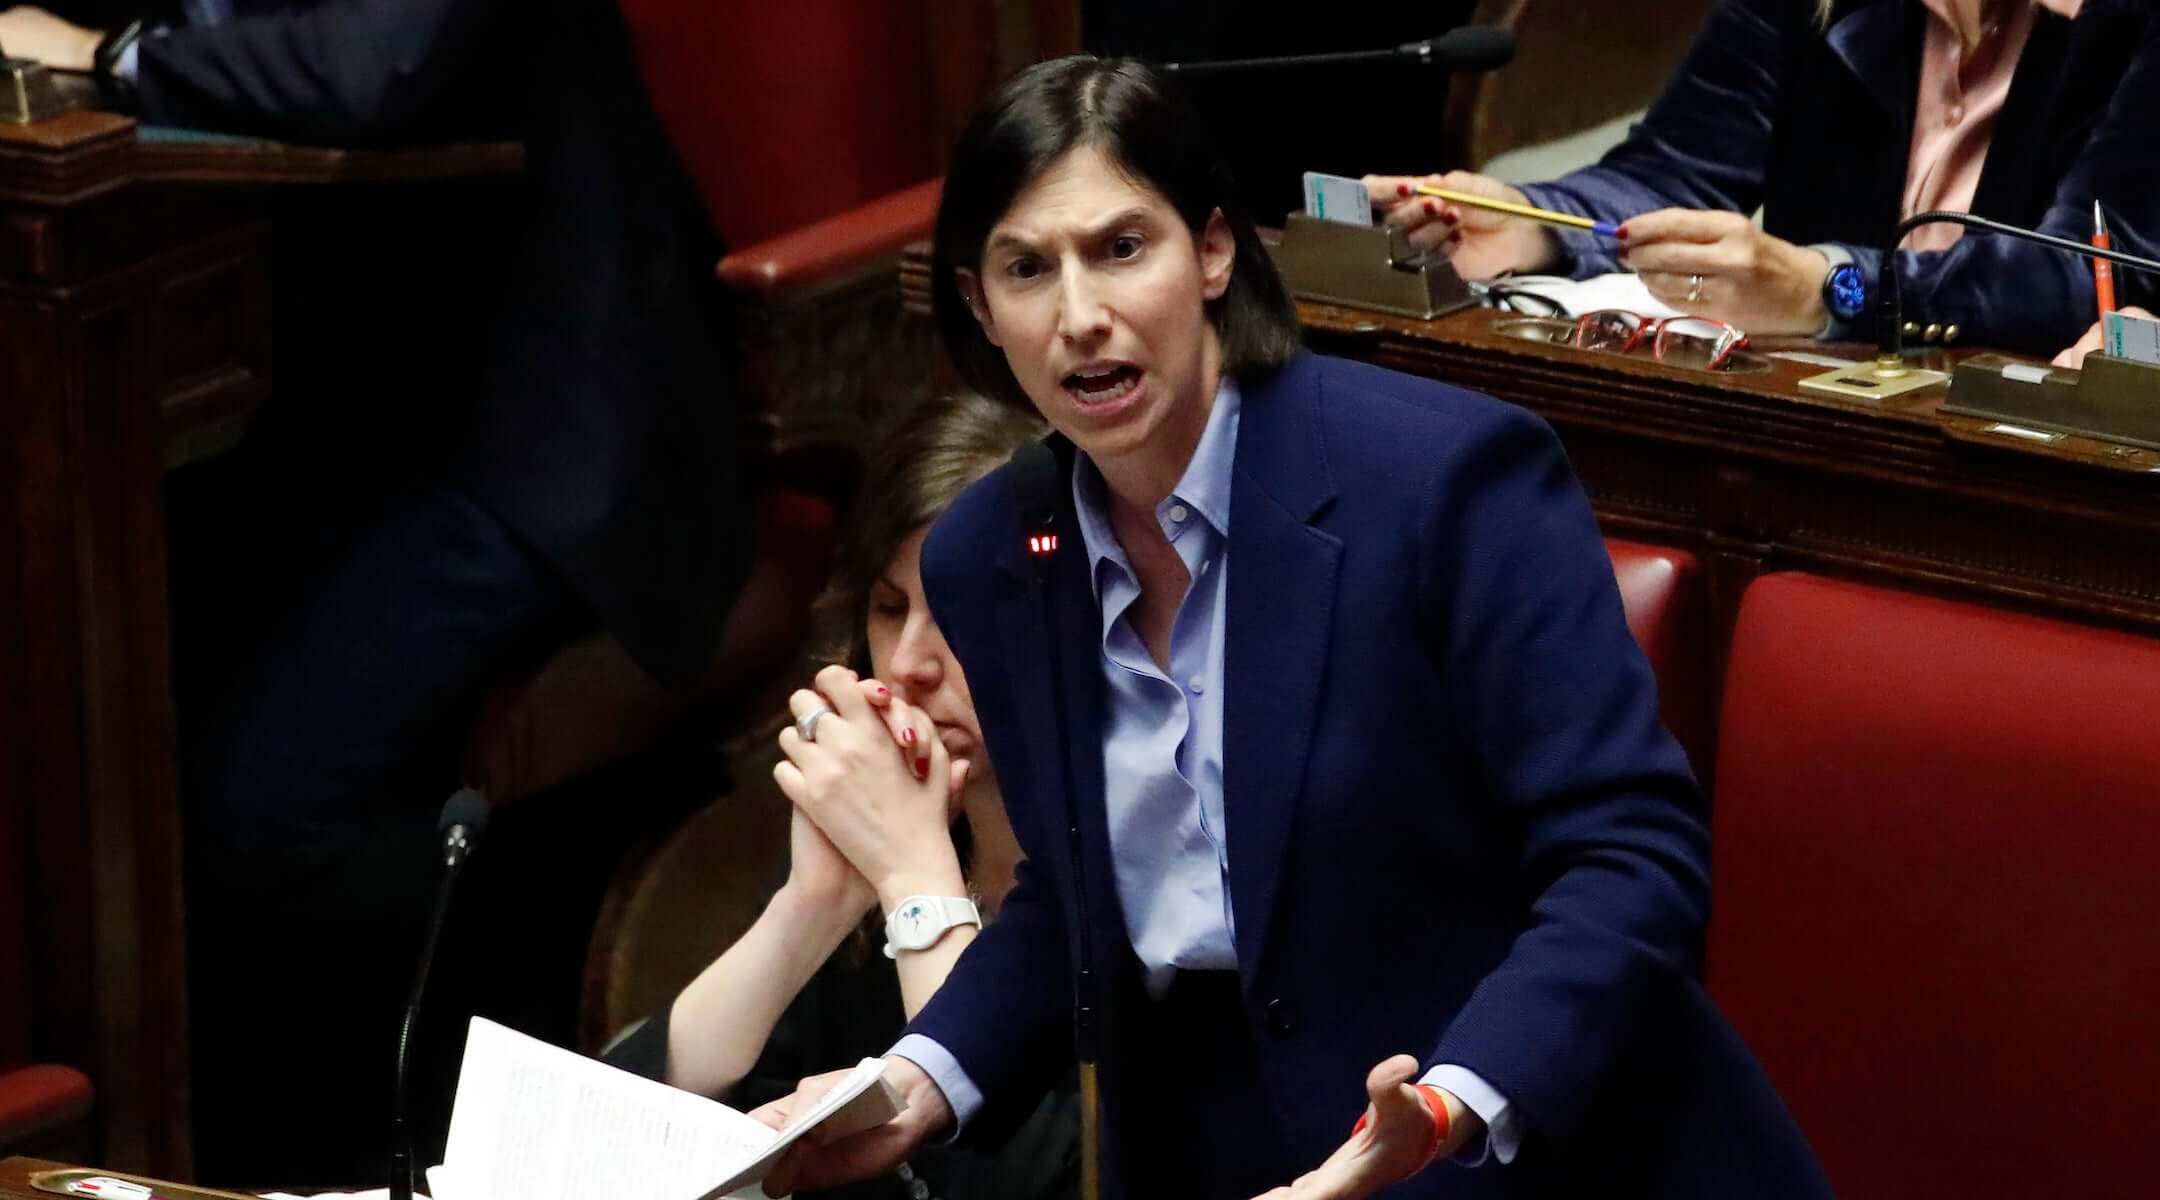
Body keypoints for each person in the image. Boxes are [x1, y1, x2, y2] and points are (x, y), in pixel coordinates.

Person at [751, 55, 1830, 1200]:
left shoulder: (1447, 483)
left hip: (1533, 1146)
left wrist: (1442, 1111)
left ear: (1214, 251)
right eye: (1028, 269)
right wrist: (912, 1082)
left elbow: (1630, 863)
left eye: (1122, 249)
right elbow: (1079, 904)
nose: (1080, 317)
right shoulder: (993, 554)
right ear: (979, 306)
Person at [1, 0, 743, 1183]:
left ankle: (415, 1154)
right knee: (120, 722)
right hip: (342, 403)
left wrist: (109, 59)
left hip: (550, 425)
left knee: (263, 795)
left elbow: (379, 66)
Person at [602, 391, 1079, 1200]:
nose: (910, 665)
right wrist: (809, 909)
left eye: (962, 612)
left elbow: (1028, 1176)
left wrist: (916, 882)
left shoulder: (1136, 885)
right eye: (891, 609)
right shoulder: (885, 869)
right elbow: (614, 1134)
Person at [1363, 0, 2159, 355]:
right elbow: (1678, 171)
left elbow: (2089, 271)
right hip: (1807, 425)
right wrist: (1541, 224)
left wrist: (1829, 288)